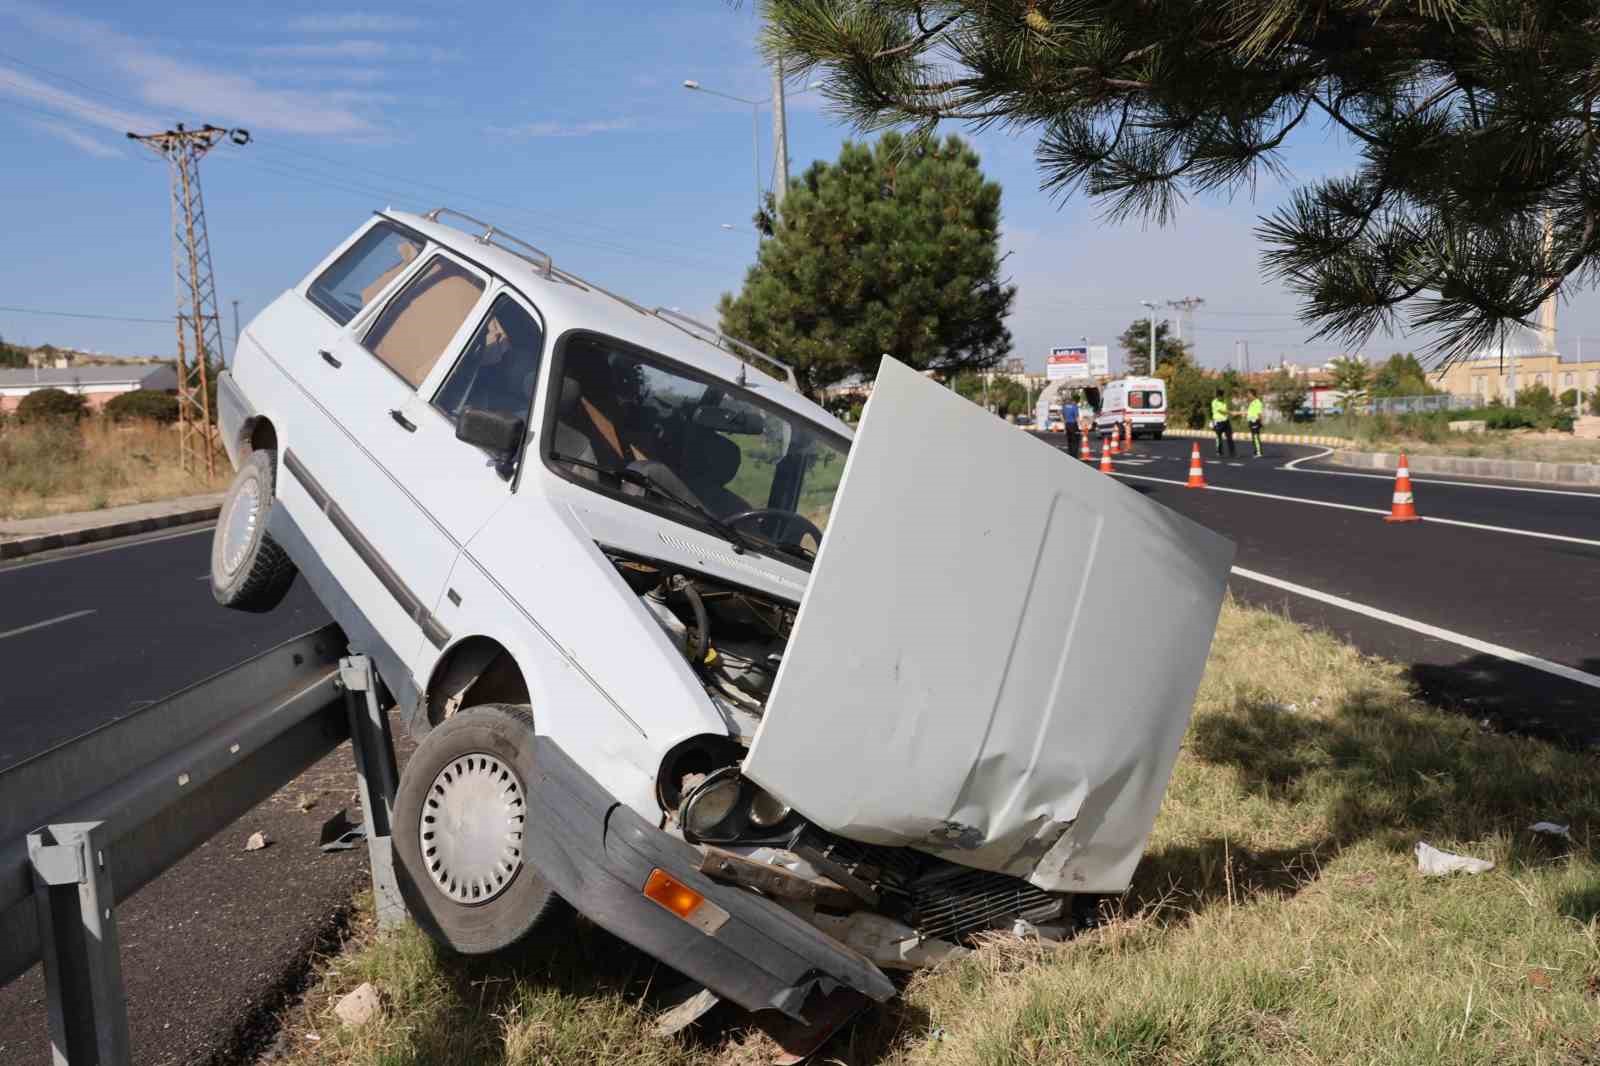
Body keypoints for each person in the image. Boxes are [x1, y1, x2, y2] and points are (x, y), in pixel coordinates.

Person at [1211, 388, 1236, 457]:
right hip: (1218, 422)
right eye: (1219, 396)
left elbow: (1225, 410)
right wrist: (1231, 412)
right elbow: (1221, 411)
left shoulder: (1224, 401)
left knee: (1229, 437)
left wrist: (1230, 413)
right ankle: (1219, 452)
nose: (1220, 398)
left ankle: (1232, 452)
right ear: (1217, 396)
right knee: (1218, 437)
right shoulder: (1214, 402)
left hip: (1226, 421)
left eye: (1221, 396)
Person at [1246, 389, 1265, 458]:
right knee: (1254, 437)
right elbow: (1249, 413)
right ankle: (1256, 451)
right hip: (1251, 421)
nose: (1247, 395)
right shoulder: (1251, 403)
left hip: (1255, 421)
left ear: (1252, 394)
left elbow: (1259, 413)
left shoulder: (1258, 402)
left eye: (1248, 394)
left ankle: (1259, 452)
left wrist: (1261, 422)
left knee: (1256, 436)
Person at [1062, 392, 1081, 456]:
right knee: (1075, 441)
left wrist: (1064, 428)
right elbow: (1076, 418)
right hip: (1073, 425)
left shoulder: (1064, 407)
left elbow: (1063, 417)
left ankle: (1070, 454)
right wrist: (1079, 426)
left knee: (1069, 441)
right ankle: (1074, 455)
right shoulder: (1074, 406)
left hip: (1067, 425)